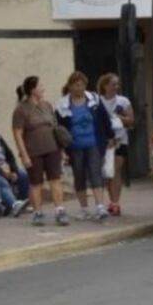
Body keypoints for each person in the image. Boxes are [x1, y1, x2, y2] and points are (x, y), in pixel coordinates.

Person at [56, 71, 114, 221]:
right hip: (74, 146)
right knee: (79, 175)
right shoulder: (62, 105)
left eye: (82, 85)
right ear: (70, 86)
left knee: (95, 173)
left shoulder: (94, 99)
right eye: (76, 85)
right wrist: (62, 149)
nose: (79, 88)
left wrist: (110, 136)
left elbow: (104, 118)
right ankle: (84, 208)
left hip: (93, 142)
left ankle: (100, 207)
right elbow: (59, 128)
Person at [13, 76, 69, 227]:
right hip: (33, 151)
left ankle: (60, 210)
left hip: (52, 148)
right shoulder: (21, 109)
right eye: (40, 86)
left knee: (55, 179)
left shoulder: (47, 105)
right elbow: (17, 134)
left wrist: (62, 150)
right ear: (33, 90)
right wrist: (24, 155)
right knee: (36, 182)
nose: (43, 88)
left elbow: (55, 128)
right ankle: (38, 213)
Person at [98, 72, 135, 216]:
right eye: (113, 84)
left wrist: (119, 118)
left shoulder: (123, 101)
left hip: (120, 140)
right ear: (105, 86)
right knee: (107, 172)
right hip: (104, 142)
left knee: (116, 170)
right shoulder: (98, 101)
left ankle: (115, 203)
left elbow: (131, 121)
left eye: (117, 84)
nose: (116, 87)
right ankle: (110, 200)